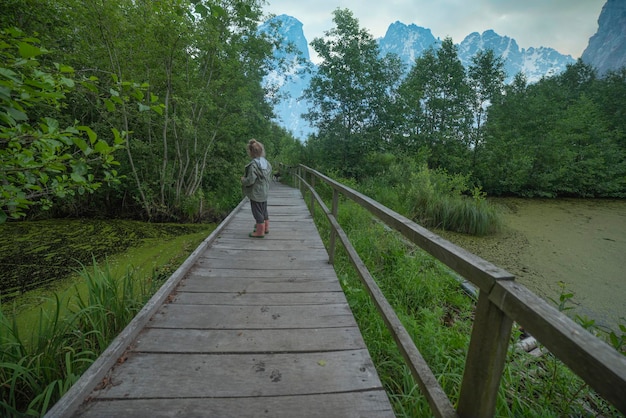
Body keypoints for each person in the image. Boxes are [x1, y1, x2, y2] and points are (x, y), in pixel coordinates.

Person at [241, 139, 272, 238]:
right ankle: (265, 227)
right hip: (265, 191)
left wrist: (243, 180)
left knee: (257, 211)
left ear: (250, 152)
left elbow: (251, 180)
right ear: (262, 151)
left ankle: (260, 231)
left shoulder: (253, 165)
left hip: (256, 193)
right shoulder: (266, 163)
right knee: (264, 210)